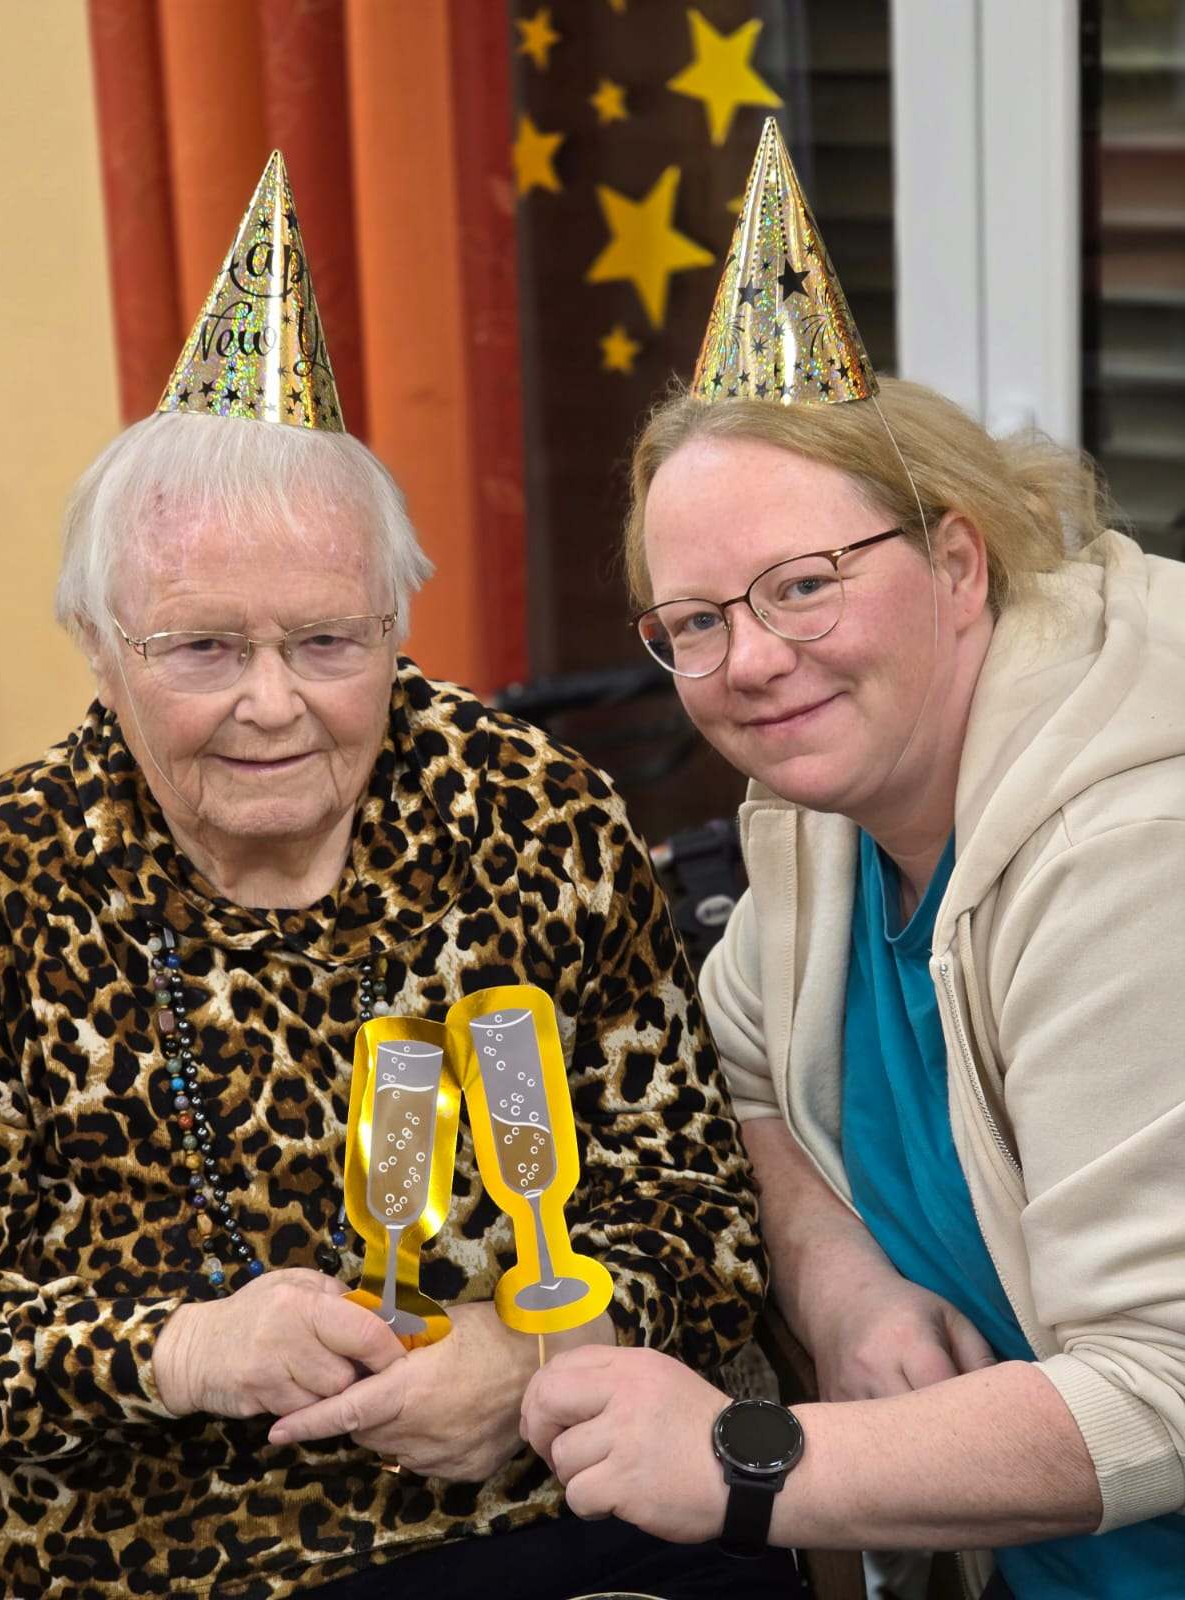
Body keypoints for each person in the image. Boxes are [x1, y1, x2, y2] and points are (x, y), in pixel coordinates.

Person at [0, 153, 794, 1600]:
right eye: (203, 650)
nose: (275, 703)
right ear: (102, 653)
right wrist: (175, 1350)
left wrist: (533, 1348)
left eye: (329, 642)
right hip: (156, 1557)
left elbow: (699, 1205)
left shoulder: (536, 817)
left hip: (543, 1508)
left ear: (396, 622)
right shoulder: (13, 880)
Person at [521, 120, 1185, 1600]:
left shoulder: (1138, 844)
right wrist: (844, 1279)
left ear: (957, 564)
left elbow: (1166, 1386)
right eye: (696, 621)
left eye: (804, 586)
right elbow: (747, 1070)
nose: (752, 661)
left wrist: (749, 1464)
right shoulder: (830, 822)